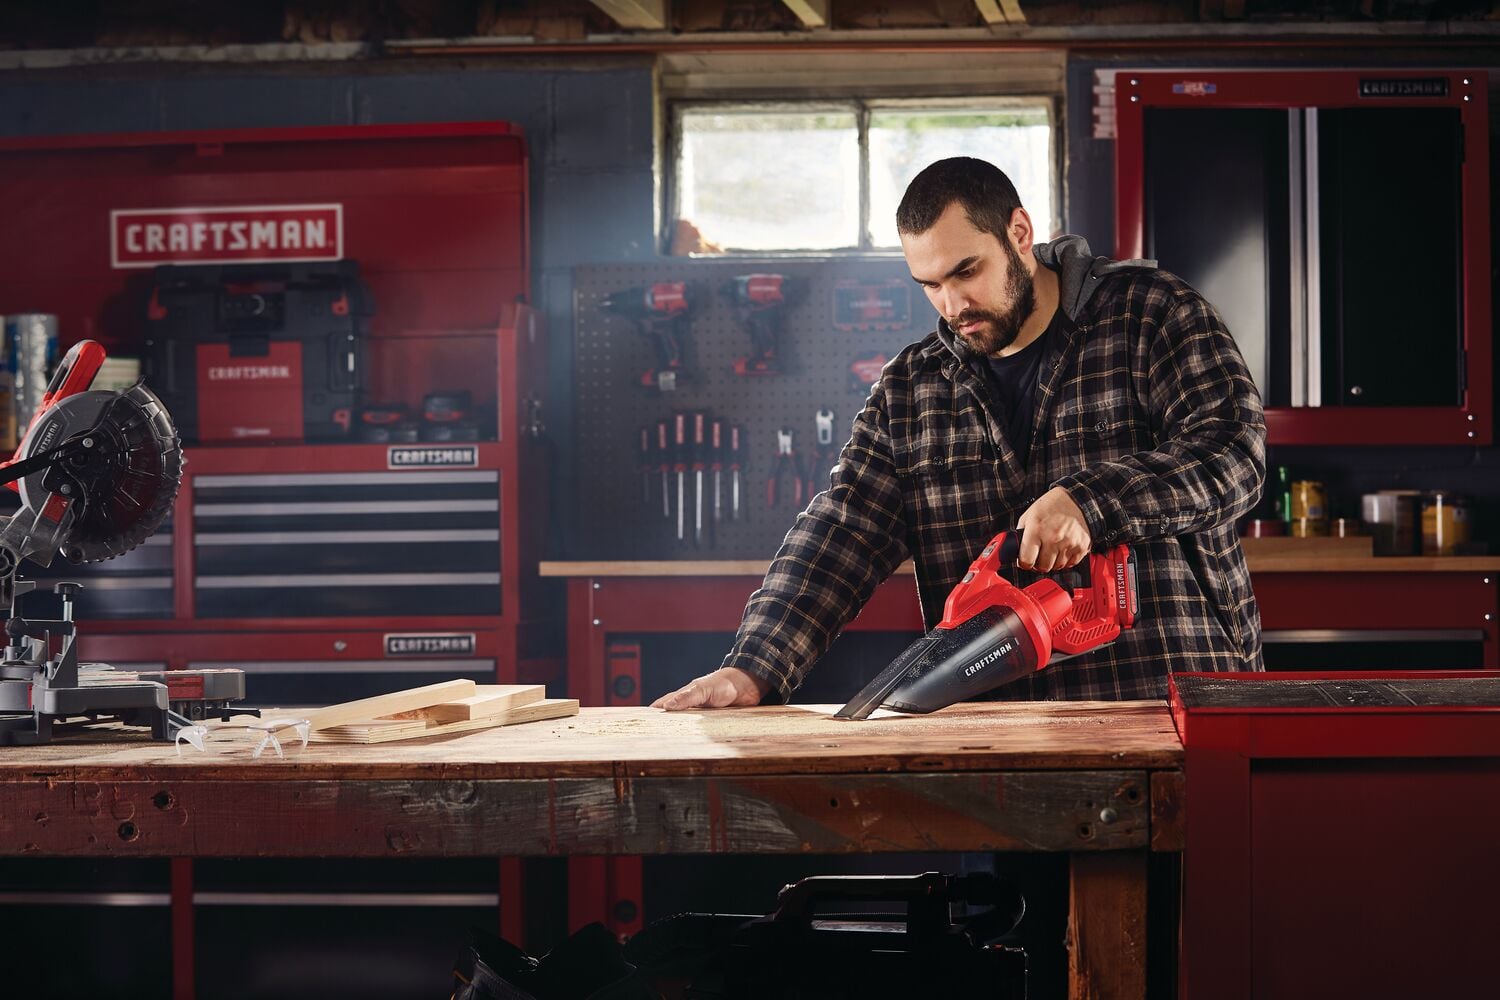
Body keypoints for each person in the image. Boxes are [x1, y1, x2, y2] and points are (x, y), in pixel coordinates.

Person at [652, 156, 1266, 711]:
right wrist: (753, 667)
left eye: (966, 272)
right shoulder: (914, 389)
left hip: (1170, 704)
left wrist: (1091, 500)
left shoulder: (1151, 314)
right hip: (1001, 724)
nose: (952, 304)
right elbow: (842, 532)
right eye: (930, 284)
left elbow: (1234, 455)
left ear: (1019, 235)